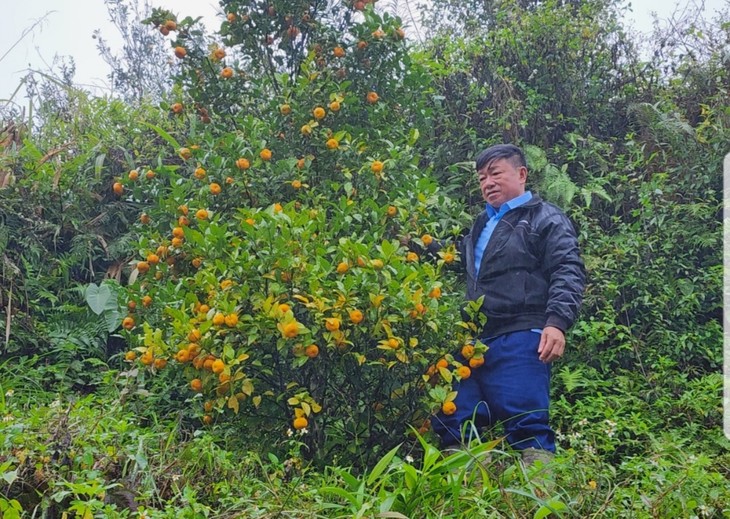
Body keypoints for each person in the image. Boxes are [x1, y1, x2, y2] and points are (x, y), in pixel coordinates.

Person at [432, 144, 585, 466]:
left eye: (495, 173)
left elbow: (567, 269)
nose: (488, 182)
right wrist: (420, 246)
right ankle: (473, 501)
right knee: (454, 416)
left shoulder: (545, 218)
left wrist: (556, 322)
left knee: (527, 422)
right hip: (475, 341)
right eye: (482, 177)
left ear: (521, 174)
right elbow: (459, 258)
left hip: (522, 333)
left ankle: (535, 504)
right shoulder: (480, 225)